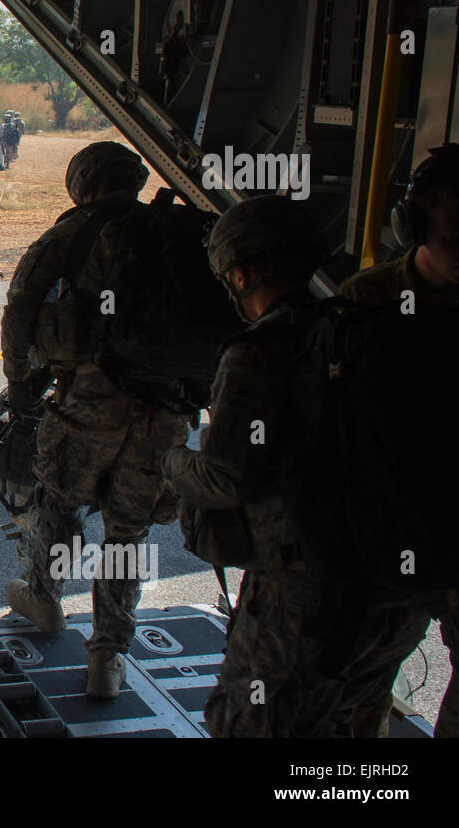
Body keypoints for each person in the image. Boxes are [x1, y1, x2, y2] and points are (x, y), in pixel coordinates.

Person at [162, 194, 430, 737]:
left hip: (304, 599)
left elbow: (224, 478)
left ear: (240, 272)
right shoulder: (368, 329)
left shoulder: (260, 351)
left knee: (248, 726)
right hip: (394, 597)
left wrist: (174, 459)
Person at [0, 141, 188, 698]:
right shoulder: (178, 232)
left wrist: (18, 381)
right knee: (128, 531)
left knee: (60, 500)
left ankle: (45, 598)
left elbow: (21, 308)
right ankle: (107, 654)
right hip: (166, 409)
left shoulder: (75, 233)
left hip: (91, 396)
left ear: (83, 184)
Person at [338, 142, 459, 738]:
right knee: (358, 685)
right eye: (452, 241)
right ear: (415, 223)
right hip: (391, 527)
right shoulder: (367, 300)